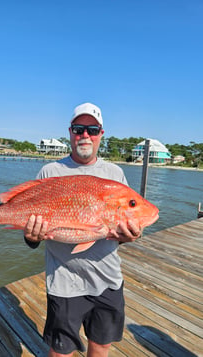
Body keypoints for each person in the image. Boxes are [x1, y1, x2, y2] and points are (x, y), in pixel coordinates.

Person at [24, 102, 141, 357]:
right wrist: (30, 236)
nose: (84, 135)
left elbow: (117, 227)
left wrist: (128, 236)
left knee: (101, 346)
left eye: (92, 129)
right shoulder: (50, 171)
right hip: (65, 283)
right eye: (78, 129)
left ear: (101, 134)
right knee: (60, 350)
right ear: (70, 132)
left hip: (107, 280)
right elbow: (31, 233)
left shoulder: (115, 174)